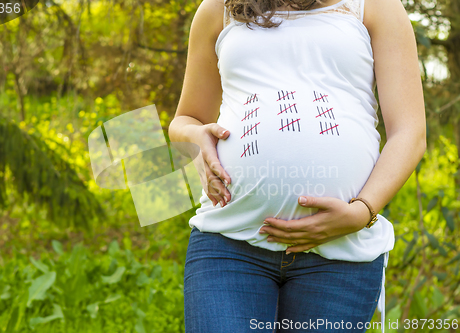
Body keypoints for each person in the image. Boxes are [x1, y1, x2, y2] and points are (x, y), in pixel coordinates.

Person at [168, 0, 426, 332]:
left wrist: (363, 210)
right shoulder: (218, 8)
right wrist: (194, 136)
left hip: (340, 256)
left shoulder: (376, 6)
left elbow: (410, 132)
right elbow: (184, 120)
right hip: (229, 245)